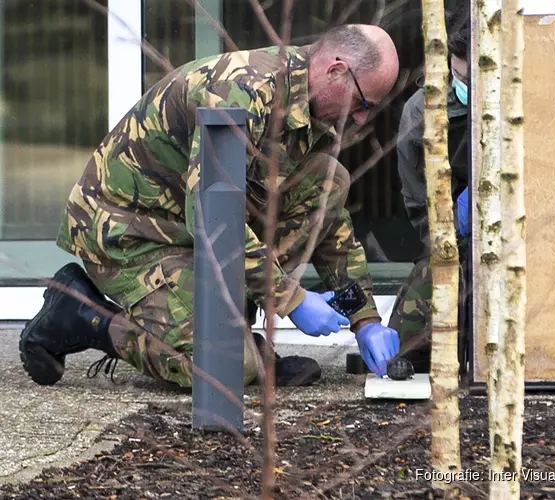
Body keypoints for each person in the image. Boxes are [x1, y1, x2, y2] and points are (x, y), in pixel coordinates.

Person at [19, 24, 402, 389]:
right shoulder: (240, 92)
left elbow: (327, 219)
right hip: (130, 235)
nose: (362, 118)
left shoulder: (309, 106)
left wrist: (365, 318)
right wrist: (292, 299)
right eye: (364, 102)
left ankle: (233, 335)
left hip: (185, 230)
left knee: (327, 177)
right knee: (223, 370)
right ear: (336, 71)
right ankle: (82, 314)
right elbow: (211, 218)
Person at [388, 3, 472, 373]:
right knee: (405, 343)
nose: (466, 87)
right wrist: (452, 224)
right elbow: (421, 211)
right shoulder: (422, 114)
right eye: (460, 76)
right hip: (458, 245)